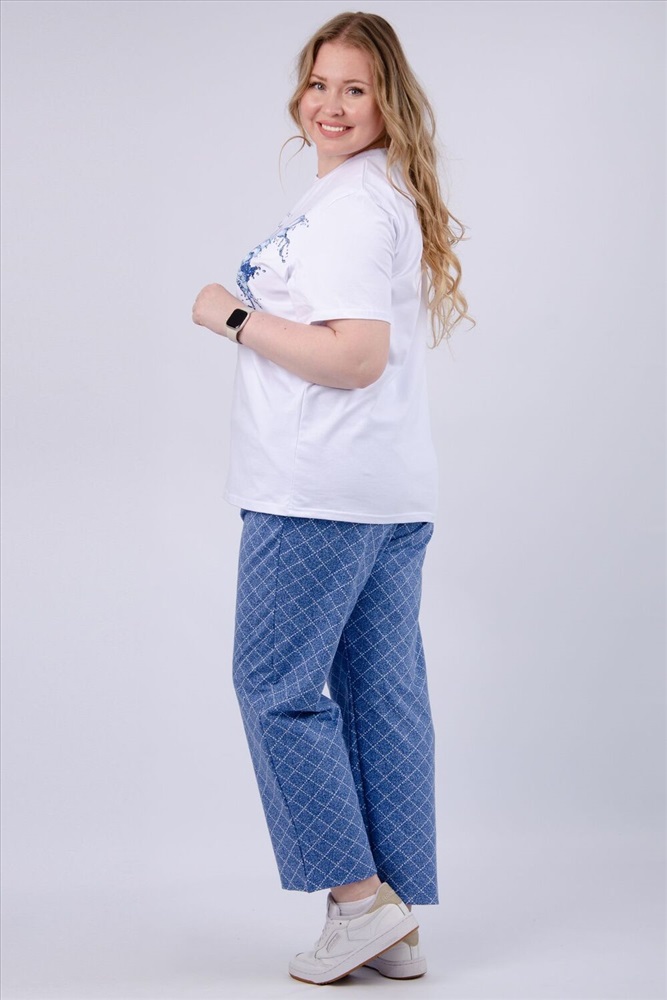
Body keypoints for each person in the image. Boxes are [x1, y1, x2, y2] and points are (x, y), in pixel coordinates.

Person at [192, 10, 472, 986]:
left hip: (316, 490)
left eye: (356, 88)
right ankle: (394, 920)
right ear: (299, 93)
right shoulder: (376, 192)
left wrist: (232, 315)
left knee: (275, 689)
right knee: (379, 697)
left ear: (388, 102)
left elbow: (354, 357)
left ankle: (358, 904)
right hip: (383, 490)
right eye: (320, 84)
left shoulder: (352, 207)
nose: (332, 105)